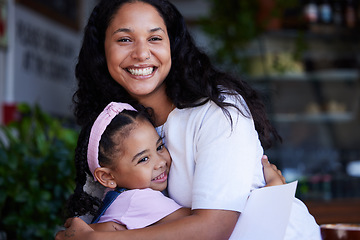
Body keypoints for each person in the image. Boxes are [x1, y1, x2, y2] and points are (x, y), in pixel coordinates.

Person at [56, 0, 321, 239]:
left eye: (155, 38)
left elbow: (214, 228)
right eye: (124, 39)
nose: (141, 53)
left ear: (173, 45)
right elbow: (91, 217)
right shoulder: (115, 125)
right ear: (103, 51)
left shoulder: (217, 111)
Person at [65, 101, 284, 232]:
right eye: (143, 159)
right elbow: (214, 224)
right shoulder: (137, 200)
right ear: (107, 177)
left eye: (159, 147)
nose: (160, 162)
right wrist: (273, 186)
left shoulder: (118, 201)